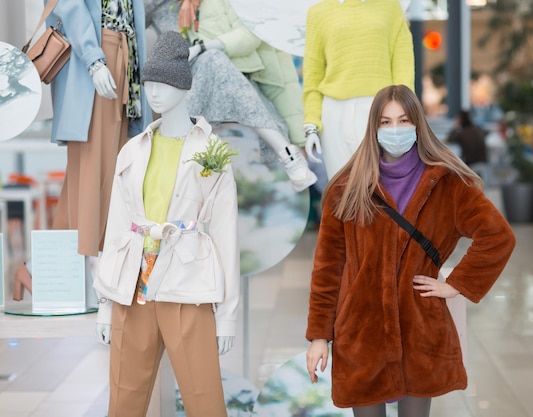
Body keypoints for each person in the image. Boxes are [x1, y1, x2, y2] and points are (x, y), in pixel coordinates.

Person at [305, 85, 516, 417]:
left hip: (420, 329)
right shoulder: (347, 187)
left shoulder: (447, 182)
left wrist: (456, 284)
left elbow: (498, 236)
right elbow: (328, 267)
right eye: (385, 122)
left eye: (403, 121)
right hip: (362, 331)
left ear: (418, 125)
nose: (395, 130)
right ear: (373, 128)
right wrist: (319, 335)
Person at [93, 32, 239, 416]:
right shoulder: (133, 149)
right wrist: (105, 305)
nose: (153, 94)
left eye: (163, 84)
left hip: (187, 286)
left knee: (204, 398)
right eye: (149, 84)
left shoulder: (210, 151)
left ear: (183, 86)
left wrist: (227, 316)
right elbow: (116, 231)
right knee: (124, 399)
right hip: (133, 285)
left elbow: (226, 237)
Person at [12, 0, 151, 301]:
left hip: (122, 58)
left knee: (103, 175)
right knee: (93, 172)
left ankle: (37, 269)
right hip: (97, 55)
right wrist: (94, 59)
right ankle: (97, 273)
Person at [176, 0, 317, 191]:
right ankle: (286, 153)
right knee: (213, 61)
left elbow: (250, 36)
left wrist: (203, 47)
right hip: (199, 87)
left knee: (215, 59)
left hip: (242, 76)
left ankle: (288, 154)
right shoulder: (176, 7)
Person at [303, 0, 415, 180]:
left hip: (382, 109)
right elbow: (313, 76)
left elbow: (403, 64)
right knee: (342, 187)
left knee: (383, 184)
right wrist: (311, 124)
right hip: (334, 112)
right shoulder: (318, 12)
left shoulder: (390, 6)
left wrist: (405, 112)